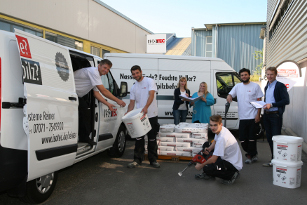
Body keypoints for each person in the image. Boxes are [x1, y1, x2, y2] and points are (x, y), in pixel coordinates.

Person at [74, 59, 126, 145]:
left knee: (85, 114)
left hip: (77, 96)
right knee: (84, 114)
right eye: (104, 67)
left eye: (108, 69)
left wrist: (108, 104)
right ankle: (83, 137)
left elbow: (96, 93)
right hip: (72, 94)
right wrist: (117, 100)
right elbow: (103, 91)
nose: (106, 70)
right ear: (99, 66)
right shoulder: (93, 72)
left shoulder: (96, 75)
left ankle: (84, 138)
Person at [126, 65, 160, 168]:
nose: (135, 75)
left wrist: (146, 107)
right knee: (139, 139)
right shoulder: (133, 87)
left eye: (137, 73)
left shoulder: (150, 81)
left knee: (152, 139)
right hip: (139, 117)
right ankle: (137, 160)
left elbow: (151, 95)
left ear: (141, 72)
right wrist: (127, 114)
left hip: (151, 115)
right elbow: (132, 103)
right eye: (133, 74)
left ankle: (153, 160)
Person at [227, 68, 263, 164]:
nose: (244, 76)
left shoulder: (255, 86)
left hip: (252, 116)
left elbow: (259, 102)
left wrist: (258, 115)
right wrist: (229, 96)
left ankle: (250, 155)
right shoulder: (238, 86)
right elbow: (230, 94)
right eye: (242, 75)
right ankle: (253, 153)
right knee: (242, 138)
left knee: (252, 138)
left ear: (249, 75)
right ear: (240, 76)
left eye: (245, 74)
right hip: (242, 117)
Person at [194, 115, 243, 185]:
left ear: (220, 124)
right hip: (226, 158)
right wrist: (210, 148)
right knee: (206, 149)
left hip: (232, 164)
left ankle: (231, 175)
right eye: (211, 125)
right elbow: (215, 140)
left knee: (207, 166)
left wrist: (201, 165)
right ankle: (210, 173)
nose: (213, 128)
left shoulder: (222, 138)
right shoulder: (221, 130)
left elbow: (213, 159)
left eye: (215, 125)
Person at [262, 67, 290, 167]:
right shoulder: (267, 86)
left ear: (276, 75)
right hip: (267, 115)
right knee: (269, 138)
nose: (269, 76)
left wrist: (272, 105)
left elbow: (286, 101)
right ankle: (273, 160)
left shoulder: (280, 86)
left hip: (275, 116)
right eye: (268, 74)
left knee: (276, 138)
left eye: (271, 74)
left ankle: (279, 161)